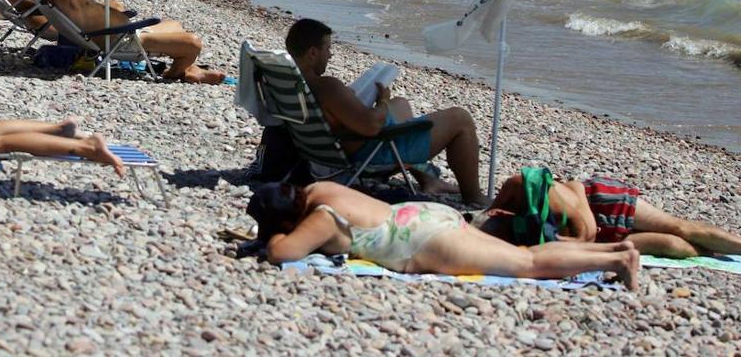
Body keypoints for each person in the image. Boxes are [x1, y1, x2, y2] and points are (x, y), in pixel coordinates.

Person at [247, 181, 639, 289]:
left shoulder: (321, 218)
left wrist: (271, 239)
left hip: (423, 240)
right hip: (424, 216)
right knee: (520, 252)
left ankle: (618, 259)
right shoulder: (317, 189)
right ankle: (616, 249)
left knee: (528, 263)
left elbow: (283, 254)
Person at [284, 18, 487, 205]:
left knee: (401, 104)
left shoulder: (290, 83)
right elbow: (372, 126)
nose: (330, 54)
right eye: (328, 48)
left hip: (328, 152)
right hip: (370, 152)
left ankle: (427, 177)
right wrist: (382, 101)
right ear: (312, 53)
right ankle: (474, 196)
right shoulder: (326, 86)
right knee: (461, 118)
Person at [34, 0, 226, 84]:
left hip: (122, 33)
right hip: (124, 40)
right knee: (193, 43)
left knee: (175, 25)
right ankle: (178, 72)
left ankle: (191, 68)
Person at [482, 171, 741, 259]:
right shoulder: (508, 227)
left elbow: (586, 228)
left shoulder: (526, 188)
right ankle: (715, 254)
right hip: (598, 241)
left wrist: (561, 246)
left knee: (679, 228)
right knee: (672, 246)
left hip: (603, 203)